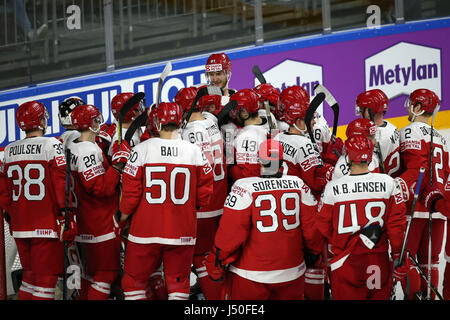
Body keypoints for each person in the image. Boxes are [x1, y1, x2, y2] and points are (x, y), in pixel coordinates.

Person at [205, 139, 324, 300]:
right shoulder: (298, 185)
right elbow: (312, 228)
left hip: (251, 274)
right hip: (292, 272)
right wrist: (314, 253)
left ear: (260, 159)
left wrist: (216, 259)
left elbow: (231, 233)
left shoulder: (244, 187)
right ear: (281, 160)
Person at [118, 102, 213, 300]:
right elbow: (205, 194)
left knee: (133, 283)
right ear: (180, 121)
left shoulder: (142, 150)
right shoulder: (194, 151)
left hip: (145, 230)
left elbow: (130, 194)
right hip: (182, 229)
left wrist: (123, 217)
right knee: (178, 285)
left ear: (155, 122)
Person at [315, 135, 408, 300]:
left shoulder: (332, 188)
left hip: (345, 262)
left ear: (348, 157)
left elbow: (322, 226)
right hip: (377, 260)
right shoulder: (389, 183)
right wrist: (397, 255)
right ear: (370, 156)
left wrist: (340, 241)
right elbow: (396, 226)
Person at [0, 101, 73, 300]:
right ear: (41, 120)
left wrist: (12, 216)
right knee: (46, 283)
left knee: (29, 279)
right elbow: (61, 185)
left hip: (21, 227)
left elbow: (4, 192)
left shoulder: (8, 151)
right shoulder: (52, 145)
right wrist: (66, 214)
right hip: (46, 226)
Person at [67, 104, 129, 300]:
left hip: (81, 223)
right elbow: (100, 188)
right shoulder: (87, 150)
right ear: (90, 123)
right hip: (99, 225)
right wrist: (118, 166)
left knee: (87, 275)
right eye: (95, 120)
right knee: (107, 274)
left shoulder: (70, 144)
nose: (98, 123)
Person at [398, 88, 449, 299]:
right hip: (438, 208)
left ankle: (415, 297)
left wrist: (396, 189)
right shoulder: (442, 138)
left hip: (416, 205)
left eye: (412, 103)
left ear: (418, 107)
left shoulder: (409, 130)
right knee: (431, 260)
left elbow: (416, 169)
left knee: (406, 258)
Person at [180, 94, 228, 300]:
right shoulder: (210, 119)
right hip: (220, 196)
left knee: (202, 256)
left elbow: (203, 167)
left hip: (205, 204)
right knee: (219, 252)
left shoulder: (193, 131)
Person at [355, 89, 401, 176]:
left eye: (361, 109)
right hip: (394, 180)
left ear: (369, 112)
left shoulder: (372, 136)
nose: (360, 113)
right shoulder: (392, 127)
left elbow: (364, 169)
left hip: (381, 183)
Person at [228, 89, 270, 183]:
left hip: (254, 190)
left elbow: (247, 176)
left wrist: (230, 170)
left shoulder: (244, 137)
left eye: (236, 111)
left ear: (244, 113)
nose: (234, 115)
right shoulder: (269, 117)